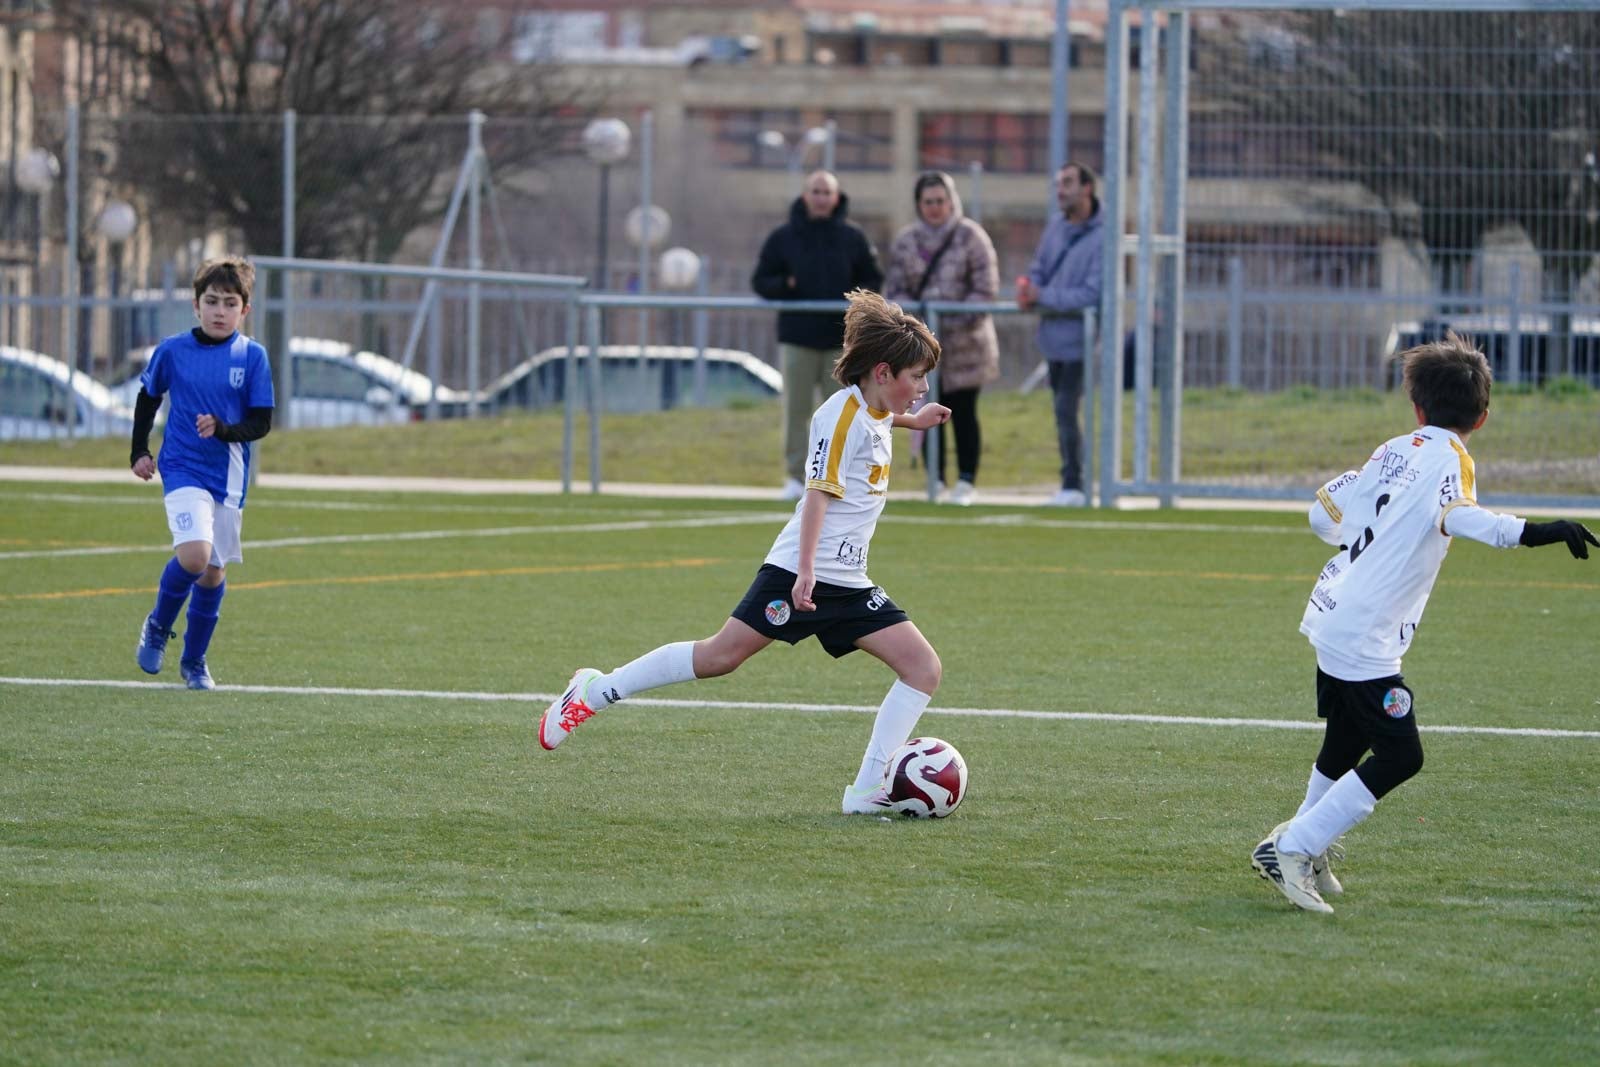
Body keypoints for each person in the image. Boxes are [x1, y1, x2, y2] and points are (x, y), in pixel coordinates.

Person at [538, 290, 952, 815]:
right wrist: (804, 571)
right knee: (719, 657)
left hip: (848, 582)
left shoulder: (871, 409)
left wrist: (915, 420)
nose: (923, 386)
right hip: (799, 575)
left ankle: (868, 789)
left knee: (922, 668)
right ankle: (596, 690)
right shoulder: (838, 418)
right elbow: (818, 494)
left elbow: (875, 424)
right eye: (917, 376)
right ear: (885, 371)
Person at [1250, 333, 1597, 914]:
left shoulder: (1390, 448)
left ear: (1416, 406)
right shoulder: (1453, 459)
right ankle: (1292, 845)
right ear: (1482, 418)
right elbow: (1460, 515)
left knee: (1346, 741)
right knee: (1401, 755)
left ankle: (1311, 846)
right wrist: (1539, 530)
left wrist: (1367, 537)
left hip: (1334, 612)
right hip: (1366, 633)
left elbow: (1322, 512)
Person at [130, 256, 275, 690]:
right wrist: (140, 450)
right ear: (195, 305)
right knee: (193, 556)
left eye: (230, 303)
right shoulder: (173, 350)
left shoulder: (252, 357)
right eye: (211, 301)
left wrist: (226, 430)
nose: (219, 311)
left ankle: (194, 662)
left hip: (228, 478)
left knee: (213, 572)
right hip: (182, 467)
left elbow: (262, 421)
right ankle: (157, 626)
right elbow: (147, 398)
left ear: (244, 310)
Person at [751, 169, 885, 502]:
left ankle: (836, 473)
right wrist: (787, 286)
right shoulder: (784, 237)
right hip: (798, 337)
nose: (822, 198)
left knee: (841, 410)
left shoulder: (853, 237)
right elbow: (762, 280)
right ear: (806, 196)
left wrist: (855, 303)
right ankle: (796, 475)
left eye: (827, 192)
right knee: (796, 410)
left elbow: (873, 280)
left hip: (841, 343)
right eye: (816, 191)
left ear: (837, 197)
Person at [883, 170, 1000, 506]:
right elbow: (896, 289)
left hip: (966, 345)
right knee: (924, 412)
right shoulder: (907, 241)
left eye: (940, 201)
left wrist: (954, 317)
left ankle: (966, 479)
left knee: (962, 411)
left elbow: (985, 287)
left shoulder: (971, 237)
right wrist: (919, 325)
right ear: (919, 205)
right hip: (922, 348)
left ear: (951, 202)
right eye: (927, 201)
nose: (934, 207)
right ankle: (934, 478)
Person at [1016, 162, 1103, 507]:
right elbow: (1039, 268)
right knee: (1061, 410)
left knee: (1068, 409)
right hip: (1053, 338)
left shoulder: (1104, 235)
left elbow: (1092, 294)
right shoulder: (1054, 226)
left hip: (1085, 342)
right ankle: (1072, 481)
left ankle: (1075, 483)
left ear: (1087, 188)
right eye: (1058, 184)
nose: (1061, 190)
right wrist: (1028, 288)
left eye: (1068, 183)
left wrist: (1043, 297)